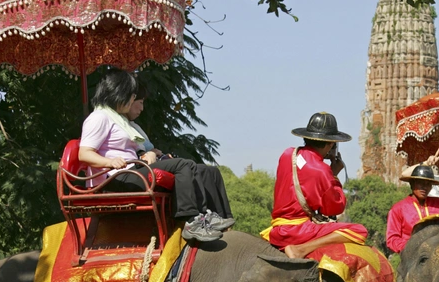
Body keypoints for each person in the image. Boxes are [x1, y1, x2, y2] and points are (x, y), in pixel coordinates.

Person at [77, 70, 227, 242]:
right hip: (117, 178)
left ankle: (211, 216)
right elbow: (84, 153)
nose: (133, 100)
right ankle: (190, 220)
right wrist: (109, 162)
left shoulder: (119, 120)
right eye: (132, 95)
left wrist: (147, 154)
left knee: (199, 169)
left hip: (131, 170)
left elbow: (130, 148)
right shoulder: (99, 117)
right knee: (183, 165)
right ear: (120, 93)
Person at [263, 112, 368, 259]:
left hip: (277, 228)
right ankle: (301, 249)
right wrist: (334, 176)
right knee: (359, 230)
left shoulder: (287, 154)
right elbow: (334, 207)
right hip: (298, 231)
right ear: (331, 143)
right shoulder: (322, 170)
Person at [126, 83, 234, 225]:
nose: (142, 108)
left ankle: (222, 219)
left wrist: (156, 153)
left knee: (210, 171)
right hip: (134, 169)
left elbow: (147, 148)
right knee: (185, 166)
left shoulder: (133, 126)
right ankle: (194, 217)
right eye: (139, 102)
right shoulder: (104, 120)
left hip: (150, 162)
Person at [386, 165, 439, 254]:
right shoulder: (398, 208)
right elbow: (392, 240)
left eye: (428, 184)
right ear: (412, 183)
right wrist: (413, 246)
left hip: (436, 254)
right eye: (421, 183)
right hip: (411, 258)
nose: (425, 187)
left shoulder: (438, 204)